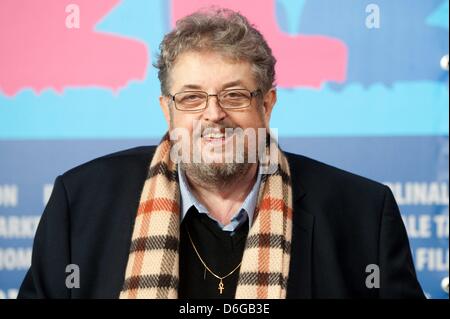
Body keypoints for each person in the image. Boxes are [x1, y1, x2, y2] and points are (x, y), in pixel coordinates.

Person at [18, 8, 424, 299]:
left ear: (267, 104)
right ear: (167, 109)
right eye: (192, 98)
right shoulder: (80, 203)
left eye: (234, 95)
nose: (214, 115)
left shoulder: (363, 214)